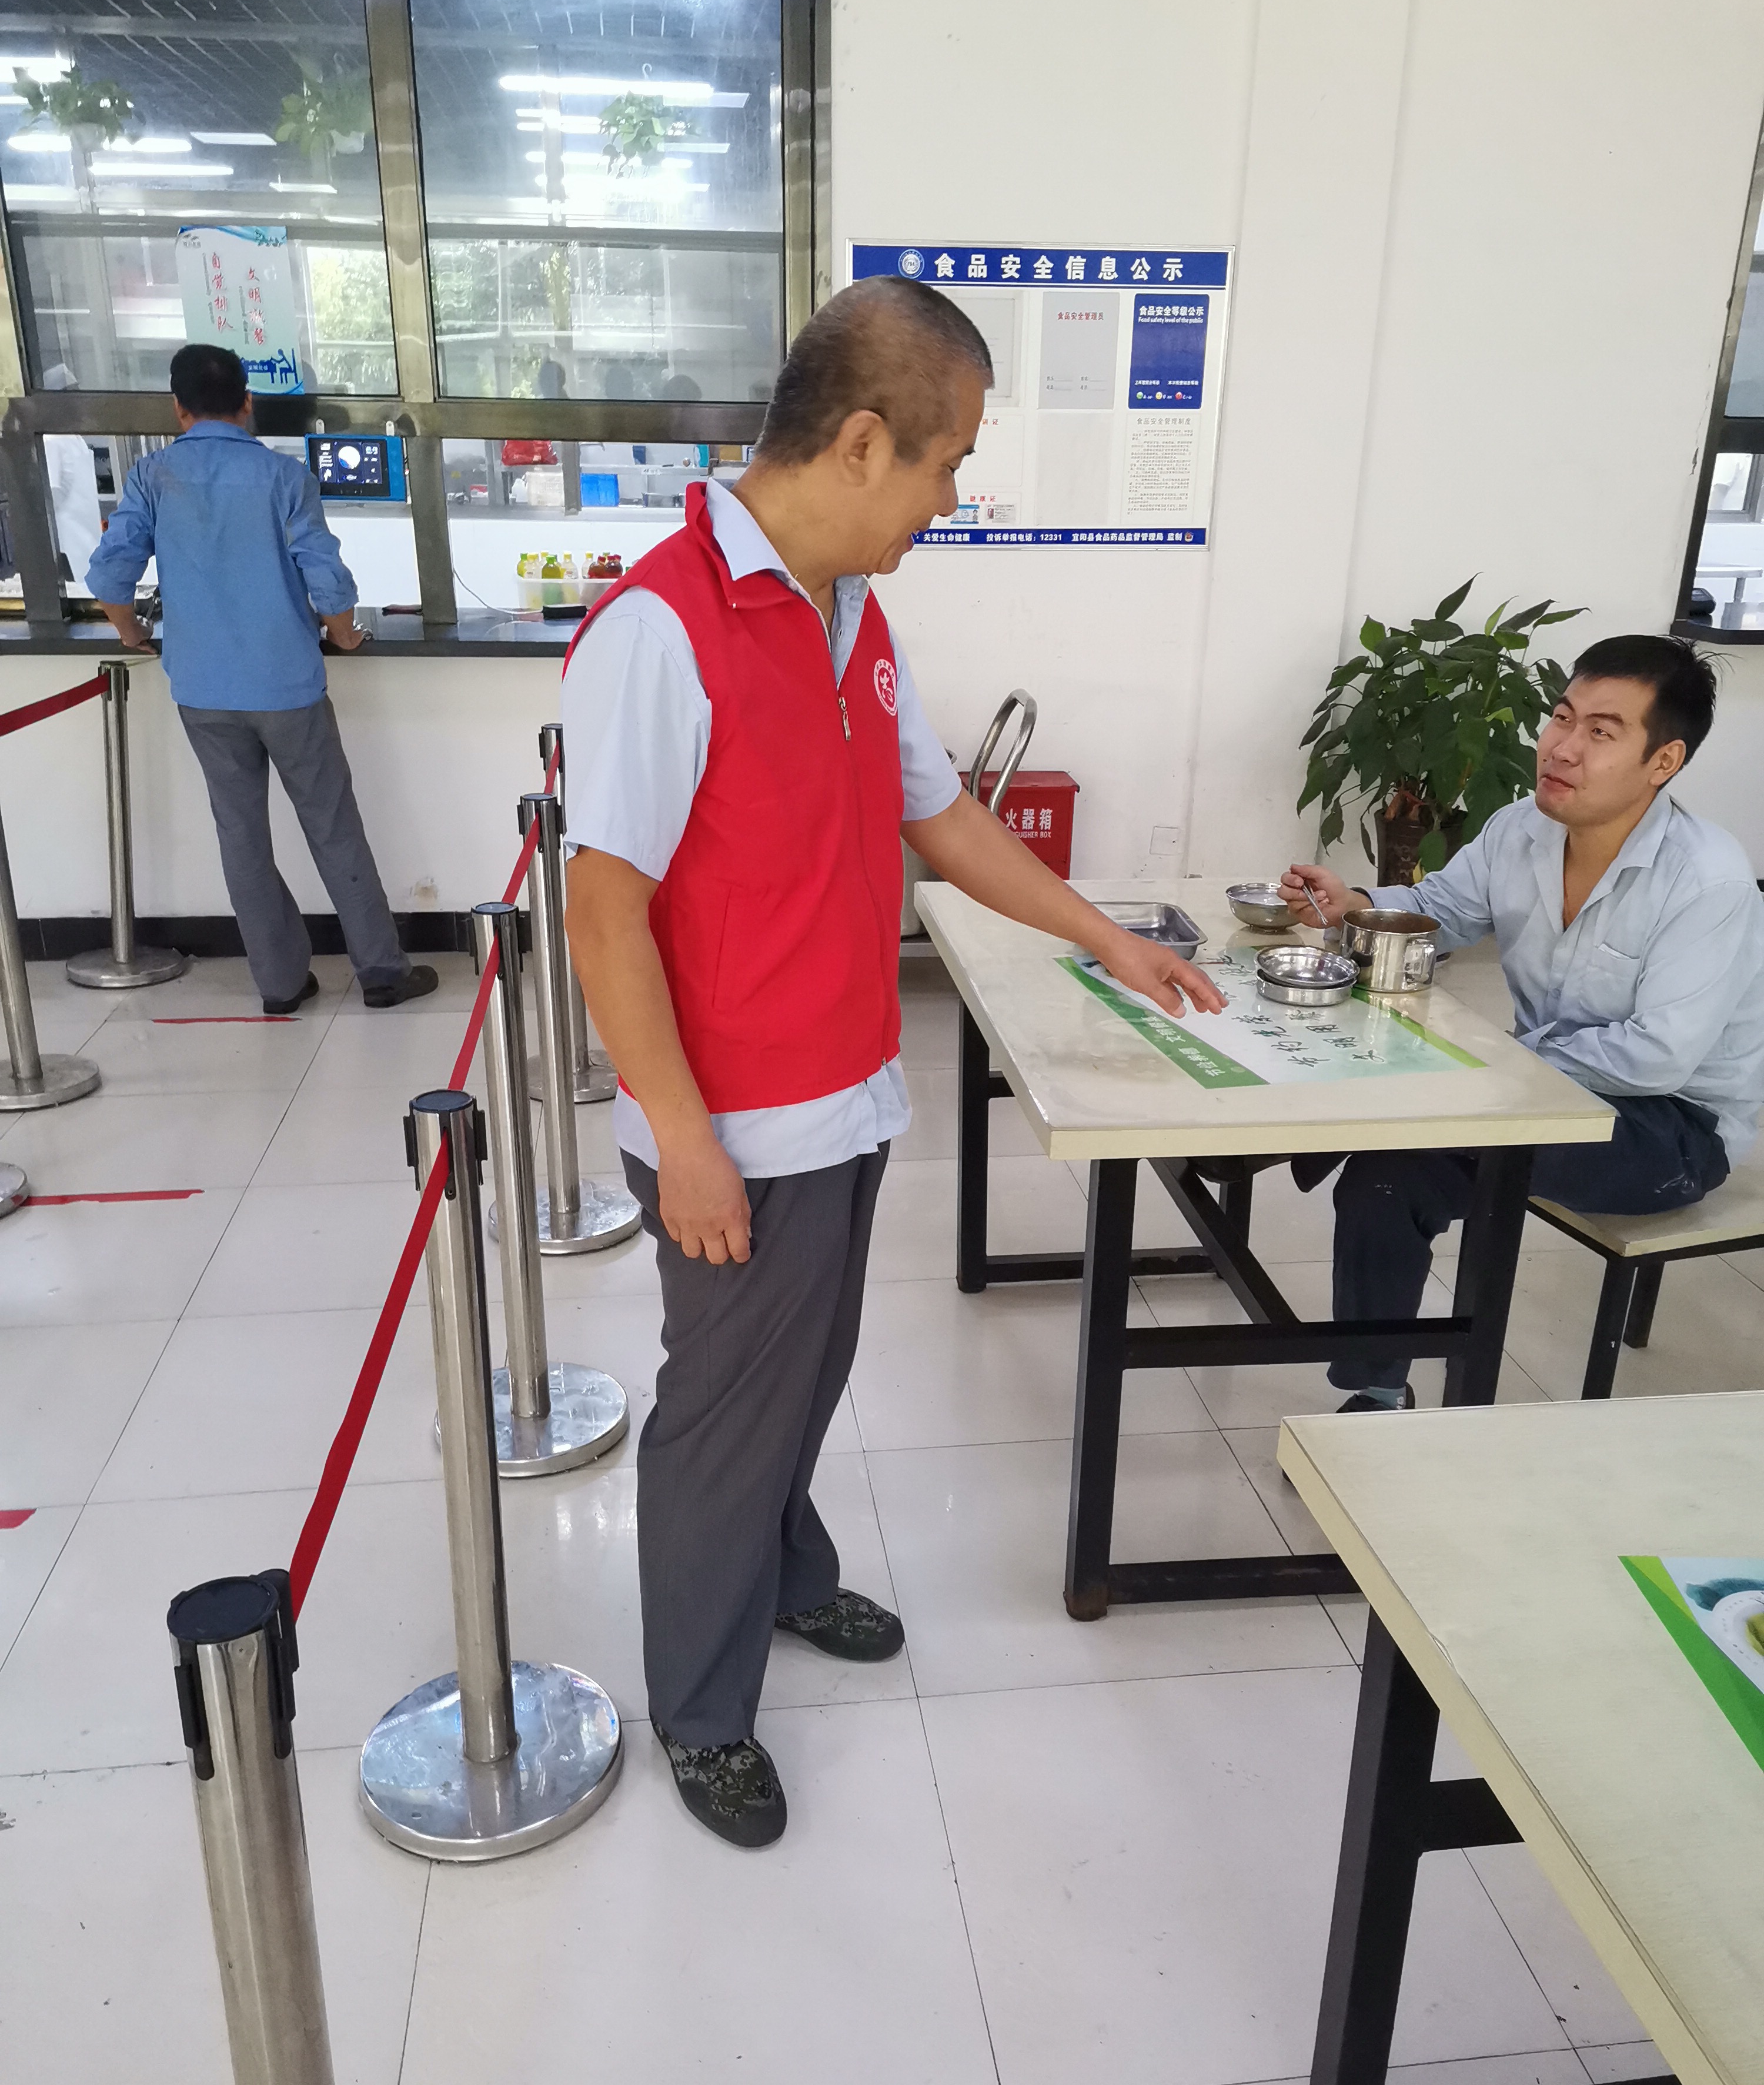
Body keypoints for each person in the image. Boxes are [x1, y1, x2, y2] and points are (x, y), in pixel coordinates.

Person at [562, 276, 1226, 1848]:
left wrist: (1104, 937)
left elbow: (940, 817)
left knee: (806, 1379)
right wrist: (685, 1138)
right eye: (946, 464)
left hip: (847, 1094)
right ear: (862, 443)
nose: (949, 497)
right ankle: (702, 1710)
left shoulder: (851, 611)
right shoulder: (661, 627)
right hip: (739, 1128)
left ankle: (787, 1577)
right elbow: (602, 914)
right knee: (723, 1416)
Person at [1281, 633, 1764, 1412]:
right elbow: (1438, 911)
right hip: (1544, 1087)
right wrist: (1357, 905)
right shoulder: (1520, 829)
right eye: (1563, 718)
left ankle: (1287, 1141)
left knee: (1419, 1115)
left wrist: (1493, 1067)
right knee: (1384, 1175)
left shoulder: (1708, 880)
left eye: (1602, 732)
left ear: (1664, 761)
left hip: (1671, 1128)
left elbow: (1658, 1059)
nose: (1563, 748)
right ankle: (1378, 1389)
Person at [86, 343, 436, 1015]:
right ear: (247, 403)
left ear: (178, 410)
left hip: (204, 691)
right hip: (287, 687)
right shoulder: (284, 477)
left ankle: (280, 984)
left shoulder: (153, 477)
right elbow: (327, 578)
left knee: (241, 835)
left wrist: (131, 633)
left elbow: (110, 577)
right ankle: (382, 972)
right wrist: (345, 635)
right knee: (332, 825)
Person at [40, 364, 102, 589]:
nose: (79, 400)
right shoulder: (52, 440)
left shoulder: (74, 437)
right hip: (71, 545)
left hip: (89, 539)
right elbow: (50, 499)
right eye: (73, 393)